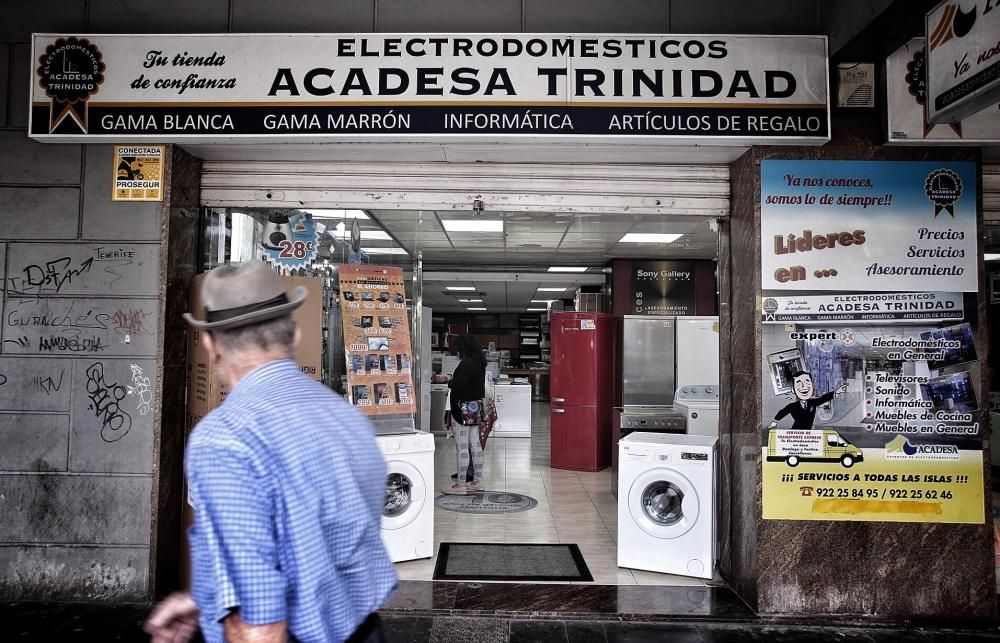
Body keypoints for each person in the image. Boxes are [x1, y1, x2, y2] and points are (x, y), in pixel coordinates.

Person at [144, 261, 396, 643]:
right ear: (294, 334)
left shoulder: (225, 438)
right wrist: (212, 600)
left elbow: (260, 626)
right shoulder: (349, 419)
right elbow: (316, 544)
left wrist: (238, 609)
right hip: (363, 630)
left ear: (211, 346)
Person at [443, 333, 487, 495]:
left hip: (462, 409)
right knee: (475, 445)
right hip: (475, 407)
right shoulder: (480, 363)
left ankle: (460, 485)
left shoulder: (466, 364)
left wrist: (448, 381)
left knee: (462, 446)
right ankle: (477, 481)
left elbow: (458, 386)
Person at [767, 371, 849, 431]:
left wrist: (837, 391)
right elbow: (782, 412)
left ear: (812, 387)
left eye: (807, 383)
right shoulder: (793, 406)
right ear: (793, 390)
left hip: (808, 434)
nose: (804, 387)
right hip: (795, 434)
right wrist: (773, 423)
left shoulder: (812, 403)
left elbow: (823, 398)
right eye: (799, 383)